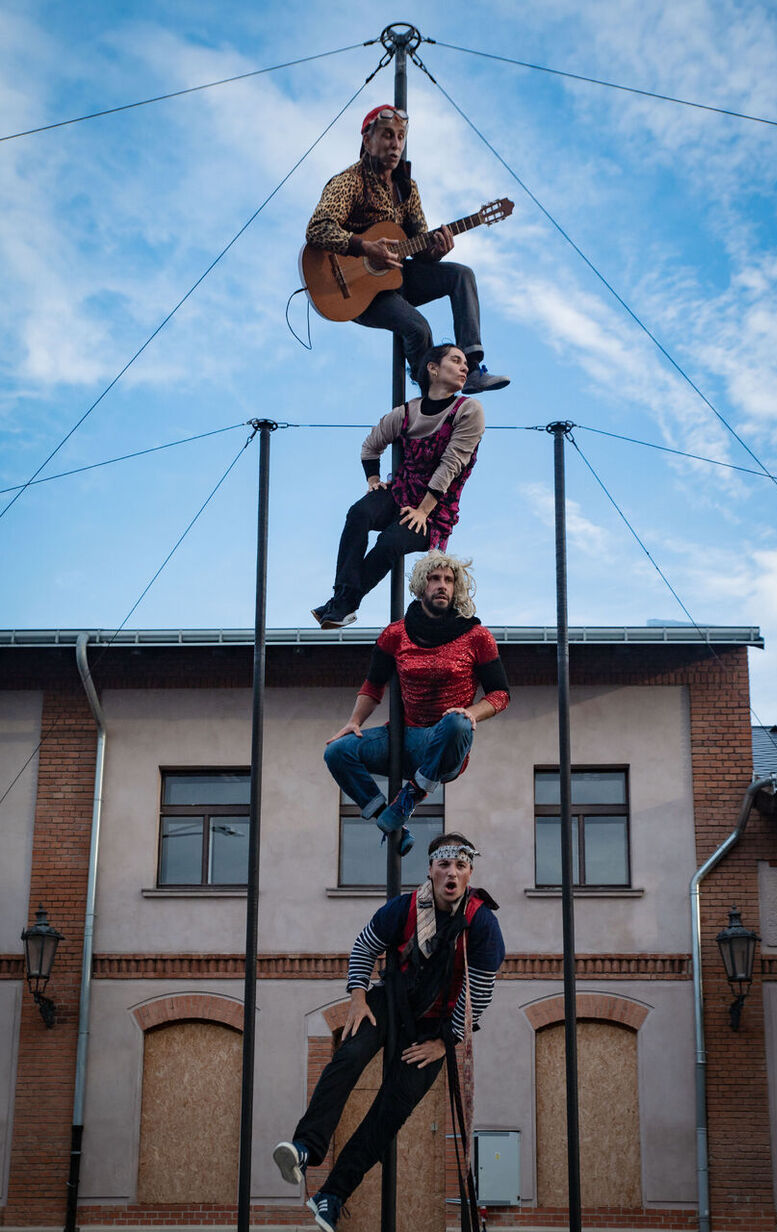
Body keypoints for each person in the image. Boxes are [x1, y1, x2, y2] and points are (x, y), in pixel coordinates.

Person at [273, 833, 505, 1232]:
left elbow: (477, 996)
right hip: (389, 1003)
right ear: (431, 869)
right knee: (347, 1057)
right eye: (444, 865)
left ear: (469, 873)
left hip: (436, 1025)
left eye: (461, 866)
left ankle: (330, 1196)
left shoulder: (482, 924)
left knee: (389, 1112)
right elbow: (364, 947)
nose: (452, 873)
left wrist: (443, 1044)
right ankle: (305, 1148)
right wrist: (358, 998)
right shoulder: (405, 908)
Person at [305, 104, 509, 394]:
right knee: (417, 327)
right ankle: (431, 393)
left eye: (400, 137)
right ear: (367, 140)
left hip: (398, 274)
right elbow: (317, 228)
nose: (395, 144)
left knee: (461, 275)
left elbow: (419, 246)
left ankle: (472, 368)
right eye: (388, 135)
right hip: (356, 288)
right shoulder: (349, 181)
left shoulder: (407, 188)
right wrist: (365, 247)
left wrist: (437, 249)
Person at [322, 553, 509, 856]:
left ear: (456, 588)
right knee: (337, 751)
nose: (442, 586)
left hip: (446, 743)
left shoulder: (477, 637)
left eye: (449, 580)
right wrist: (354, 721)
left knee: (457, 722)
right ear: (422, 585)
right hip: (404, 738)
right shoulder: (395, 634)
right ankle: (391, 819)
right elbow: (373, 684)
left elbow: (500, 693)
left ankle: (411, 795)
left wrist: (471, 712)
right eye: (435, 579)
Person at [311, 343, 484, 630]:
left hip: (433, 511)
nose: (465, 367)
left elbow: (451, 465)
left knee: (390, 542)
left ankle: (345, 604)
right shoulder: (405, 414)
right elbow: (370, 447)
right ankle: (340, 597)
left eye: (465, 363)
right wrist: (374, 481)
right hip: (398, 492)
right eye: (456, 361)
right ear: (433, 368)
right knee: (358, 514)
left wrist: (422, 511)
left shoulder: (468, 411)